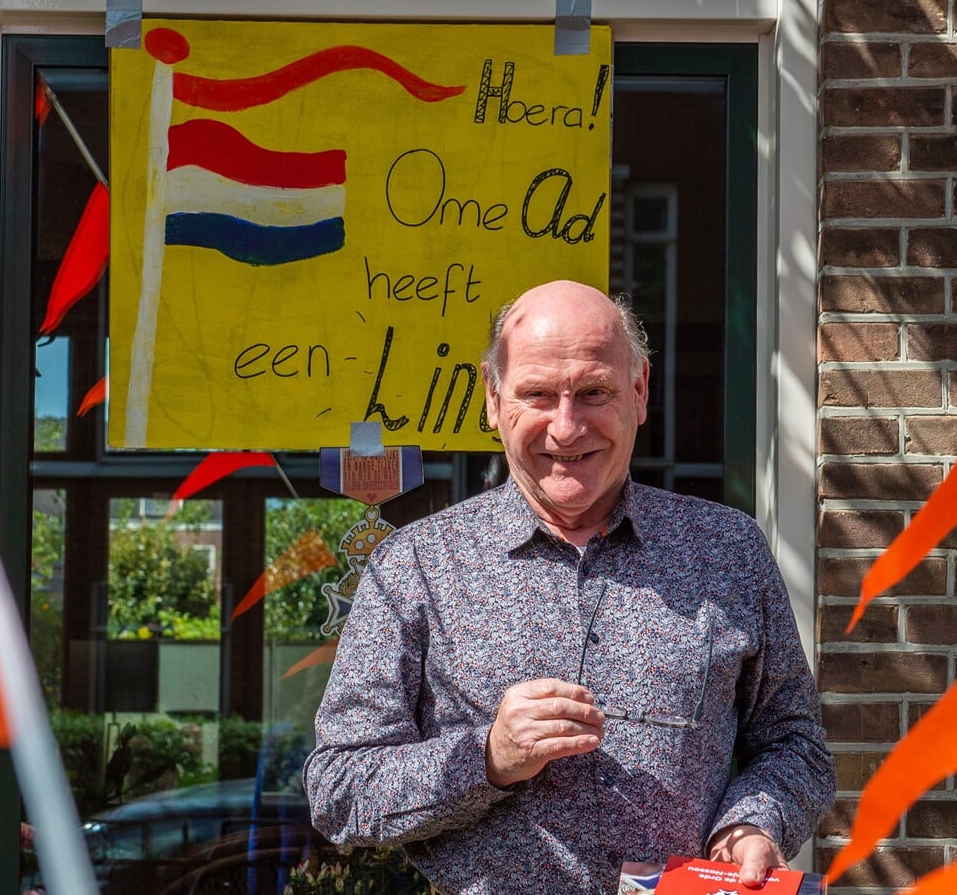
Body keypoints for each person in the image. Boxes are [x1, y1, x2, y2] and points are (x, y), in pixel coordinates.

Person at [304, 280, 832, 894]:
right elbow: (339, 788)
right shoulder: (416, 566)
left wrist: (752, 825)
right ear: (493, 399)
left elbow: (795, 746)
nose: (566, 426)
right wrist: (489, 758)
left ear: (639, 393)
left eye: (593, 392)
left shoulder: (727, 550)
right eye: (537, 395)